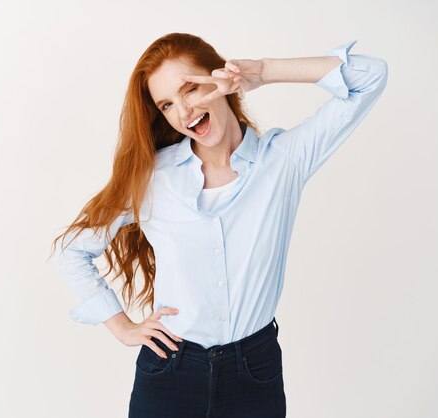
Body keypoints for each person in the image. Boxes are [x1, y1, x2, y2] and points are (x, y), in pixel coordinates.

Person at [50, 32, 388, 418]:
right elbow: (73, 250)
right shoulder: (152, 178)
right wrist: (123, 327)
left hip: (254, 373)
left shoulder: (283, 162)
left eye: (191, 89)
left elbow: (370, 76)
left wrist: (262, 71)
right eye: (167, 105)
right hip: (170, 372)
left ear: (222, 77)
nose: (184, 111)